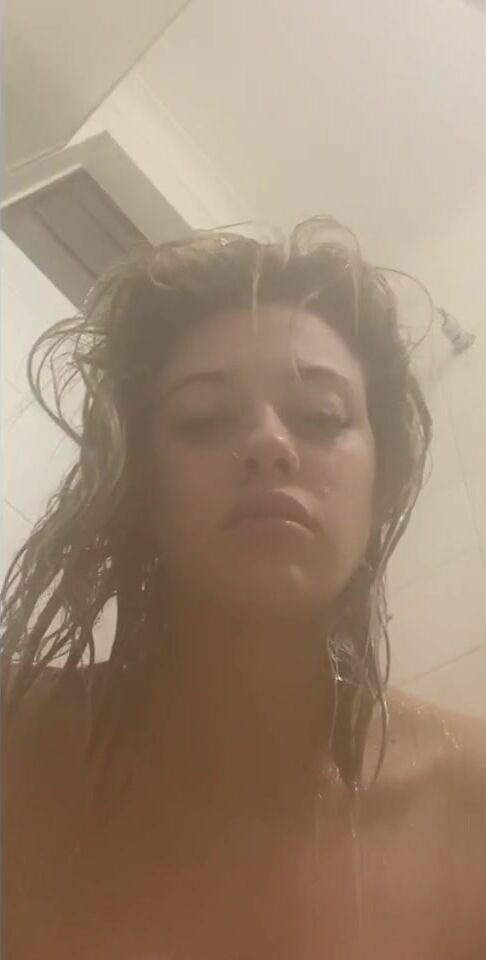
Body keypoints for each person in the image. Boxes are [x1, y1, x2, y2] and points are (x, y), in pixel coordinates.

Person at [2, 217, 484, 960]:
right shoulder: (16, 743)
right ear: (144, 490)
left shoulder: (470, 802)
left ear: (379, 484)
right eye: (203, 420)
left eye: (321, 417)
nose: (268, 443)